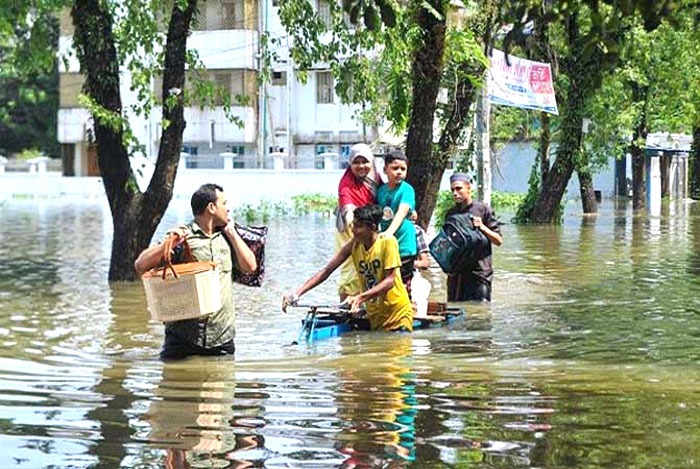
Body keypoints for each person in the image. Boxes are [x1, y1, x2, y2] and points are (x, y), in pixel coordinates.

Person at [134, 183, 257, 360]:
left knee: (223, 386)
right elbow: (140, 265)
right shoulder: (182, 237)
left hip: (222, 338)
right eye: (224, 203)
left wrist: (233, 234)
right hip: (183, 339)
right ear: (212, 207)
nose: (228, 209)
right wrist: (166, 245)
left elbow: (250, 267)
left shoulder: (228, 237)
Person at [282, 204, 413, 332]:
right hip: (376, 317)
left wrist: (360, 297)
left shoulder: (387, 242)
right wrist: (296, 294)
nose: (353, 230)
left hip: (397, 315)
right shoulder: (355, 245)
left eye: (358, 226)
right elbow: (326, 271)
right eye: (353, 225)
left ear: (372, 227)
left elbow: (390, 280)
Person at [335, 143, 383, 300]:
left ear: (372, 161)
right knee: (351, 266)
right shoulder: (346, 183)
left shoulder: (375, 177)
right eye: (356, 162)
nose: (361, 166)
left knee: (372, 263)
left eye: (365, 161)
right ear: (350, 163)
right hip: (350, 227)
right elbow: (347, 206)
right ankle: (347, 301)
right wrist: (354, 228)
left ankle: (366, 301)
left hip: (370, 226)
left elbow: (385, 198)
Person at [445, 172, 503, 301]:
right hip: (457, 275)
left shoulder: (483, 210)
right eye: (452, 190)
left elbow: (498, 240)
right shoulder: (451, 214)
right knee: (455, 311)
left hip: (480, 274)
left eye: (458, 188)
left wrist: (482, 227)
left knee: (480, 312)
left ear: (469, 188)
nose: (455, 193)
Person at [376, 149, 417, 292]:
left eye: (403, 169)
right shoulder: (380, 191)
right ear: (385, 170)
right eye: (395, 168)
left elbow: (402, 211)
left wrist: (389, 232)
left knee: (403, 284)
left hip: (404, 244)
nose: (399, 172)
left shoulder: (407, 189)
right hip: (387, 245)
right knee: (386, 281)